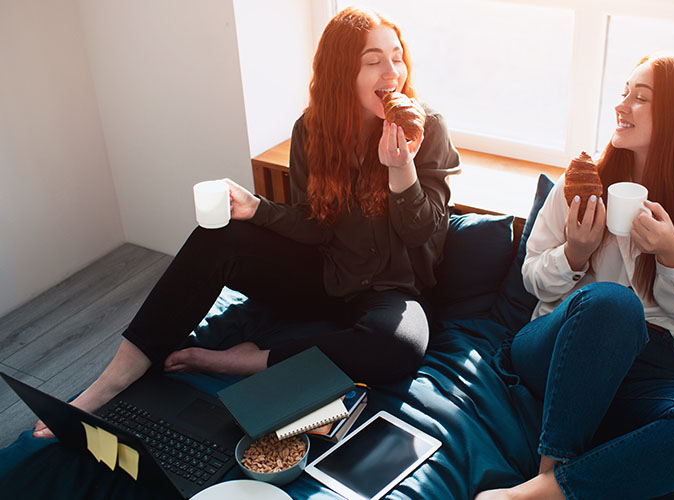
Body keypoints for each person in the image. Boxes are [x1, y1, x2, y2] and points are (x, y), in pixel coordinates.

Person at [34, 6, 460, 439]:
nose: (392, 72)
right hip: (327, 277)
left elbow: (425, 235)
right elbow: (316, 225)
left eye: (397, 56)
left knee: (400, 345)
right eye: (373, 61)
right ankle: (111, 380)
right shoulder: (313, 132)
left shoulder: (427, 129)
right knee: (218, 235)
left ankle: (243, 359)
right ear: (341, 72)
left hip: (391, 292)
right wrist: (256, 208)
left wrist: (401, 171)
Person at [476, 53, 674, 499]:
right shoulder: (586, 180)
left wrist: (673, 255)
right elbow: (533, 279)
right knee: (613, 303)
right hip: (562, 344)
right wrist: (575, 253)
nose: (621, 106)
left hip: (652, 364)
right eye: (624, 93)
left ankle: (549, 492)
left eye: (639, 97)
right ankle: (553, 464)